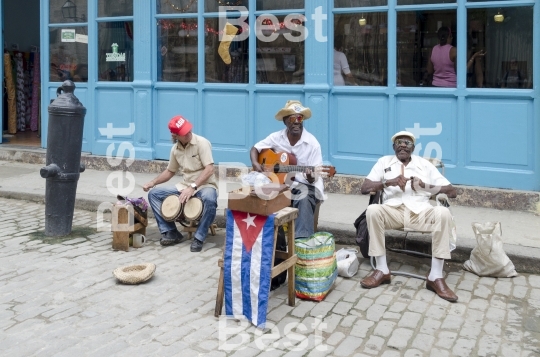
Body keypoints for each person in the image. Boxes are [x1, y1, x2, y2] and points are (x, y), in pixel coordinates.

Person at [359, 131, 459, 302]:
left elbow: (452, 191)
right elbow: (364, 187)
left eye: (407, 142)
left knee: (442, 212)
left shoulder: (424, 165)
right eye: (399, 142)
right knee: (373, 210)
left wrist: (424, 185)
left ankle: (435, 276)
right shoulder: (384, 162)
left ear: (413, 148)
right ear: (393, 147)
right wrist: (387, 183)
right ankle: (382, 270)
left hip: (420, 213)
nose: (403, 145)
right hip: (393, 212)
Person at [250, 100, 325, 239]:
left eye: (300, 118)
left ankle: (301, 242)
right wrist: (256, 164)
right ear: (285, 121)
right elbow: (255, 148)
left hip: (306, 185)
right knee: (257, 195)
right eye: (292, 118)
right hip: (280, 184)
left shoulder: (313, 144)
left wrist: (311, 176)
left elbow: (315, 178)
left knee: (303, 194)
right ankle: (270, 244)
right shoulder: (276, 137)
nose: (296, 121)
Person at [143, 115, 218, 252]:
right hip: (184, 185)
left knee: (210, 199)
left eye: (189, 130)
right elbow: (170, 171)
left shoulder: (202, 143)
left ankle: (199, 237)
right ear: (175, 135)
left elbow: (210, 169)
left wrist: (193, 187)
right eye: (184, 133)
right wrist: (152, 182)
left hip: (204, 185)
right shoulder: (175, 150)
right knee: (154, 194)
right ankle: (171, 232)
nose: (188, 133)